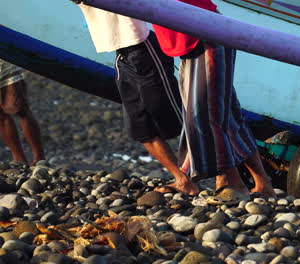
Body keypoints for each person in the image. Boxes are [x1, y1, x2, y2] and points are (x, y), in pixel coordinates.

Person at [72, 1, 199, 195]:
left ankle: (228, 170)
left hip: (144, 50)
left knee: (181, 118)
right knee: (141, 129)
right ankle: (182, 179)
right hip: (122, 56)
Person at [152, 0, 276, 198]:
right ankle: (263, 183)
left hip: (205, 37)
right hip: (199, 38)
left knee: (204, 114)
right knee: (228, 116)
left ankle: (232, 181)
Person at [0, 59, 45, 165]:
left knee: (21, 109)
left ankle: (39, 158)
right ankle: (19, 159)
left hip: (4, 61)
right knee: (1, 115)